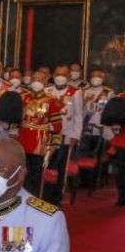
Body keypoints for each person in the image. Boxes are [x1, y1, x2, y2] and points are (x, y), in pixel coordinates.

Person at [18, 69, 63, 197]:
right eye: (34, 79)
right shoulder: (23, 97)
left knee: (36, 174)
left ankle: (34, 200)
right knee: (22, 172)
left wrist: (54, 144)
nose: (36, 82)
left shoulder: (51, 100)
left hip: (40, 143)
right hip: (23, 140)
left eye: (40, 80)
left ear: (45, 82)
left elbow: (58, 125)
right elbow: (16, 120)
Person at [45, 65, 84, 205]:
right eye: (57, 74)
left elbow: (78, 116)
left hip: (66, 135)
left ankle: (57, 198)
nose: (60, 77)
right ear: (53, 75)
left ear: (68, 77)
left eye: (63, 74)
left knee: (61, 167)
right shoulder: (47, 90)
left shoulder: (76, 92)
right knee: (47, 165)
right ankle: (45, 195)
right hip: (49, 135)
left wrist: (76, 135)